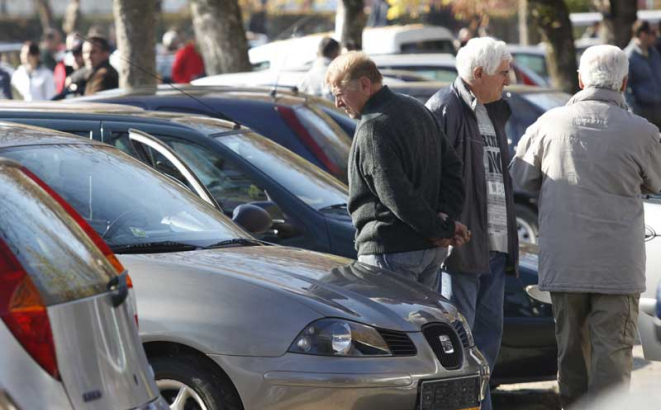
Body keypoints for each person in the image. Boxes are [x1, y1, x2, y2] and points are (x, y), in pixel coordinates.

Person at [510, 45, 661, 408]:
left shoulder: (548, 123)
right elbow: (656, 182)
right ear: (624, 82)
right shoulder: (642, 131)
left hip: (565, 262)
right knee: (613, 357)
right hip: (617, 265)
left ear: (579, 79)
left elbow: (519, 176)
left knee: (571, 356)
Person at [425, 37, 519, 410]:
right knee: (461, 345)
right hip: (463, 247)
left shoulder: (495, 110)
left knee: (487, 342)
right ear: (478, 74)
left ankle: (480, 404)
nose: (508, 80)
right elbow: (431, 180)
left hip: (495, 247)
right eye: (503, 72)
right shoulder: (444, 108)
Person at [325, 51, 469, 290]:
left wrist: (440, 228)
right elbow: (452, 168)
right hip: (429, 250)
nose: (338, 103)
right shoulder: (417, 109)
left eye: (339, 95)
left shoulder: (372, 127)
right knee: (425, 325)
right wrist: (445, 220)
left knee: (392, 327)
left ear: (364, 84)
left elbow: (396, 195)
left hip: (392, 252)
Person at [624, 20, 661, 127]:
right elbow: (625, 88)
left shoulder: (654, 53)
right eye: (652, 33)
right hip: (643, 111)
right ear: (643, 35)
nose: (656, 36)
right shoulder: (628, 56)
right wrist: (635, 112)